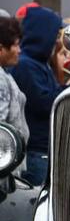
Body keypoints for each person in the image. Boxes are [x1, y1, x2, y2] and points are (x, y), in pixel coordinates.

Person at [12, 6, 65, 185]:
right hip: (36, 153)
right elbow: (44, 103)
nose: (58, 41)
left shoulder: (40, 63)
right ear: (44, 34)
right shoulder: (26, 66)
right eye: (55, 36)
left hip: (45, 151)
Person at [0, 17, 30, 150]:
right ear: (1, 48)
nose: (19, 50)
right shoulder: (0, 79)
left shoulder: (4, 73)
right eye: (16, 45)